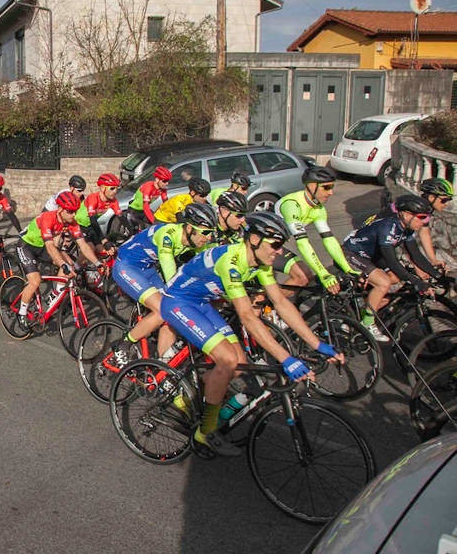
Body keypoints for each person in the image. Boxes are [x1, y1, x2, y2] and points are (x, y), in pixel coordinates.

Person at [125, 213, 343, 456]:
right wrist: (285, 359)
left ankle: (207, 390)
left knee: (238, 365)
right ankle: (204, 433)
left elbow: (281, 302)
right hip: (178, 302)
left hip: (203, 303)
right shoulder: (231, 262)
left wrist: (318, 344)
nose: (280, 252)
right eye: (276, 245)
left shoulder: (260, 264)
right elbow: (247, 316)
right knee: (227, 359)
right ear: (255, 239)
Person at [113, 203, 218, 359]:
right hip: (126, 266)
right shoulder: (167, 235)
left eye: (212, 233)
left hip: (146, 269)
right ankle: (123, 344)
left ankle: (164, 367)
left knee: (172, 312)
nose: (209, 237)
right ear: (189, 228)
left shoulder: (197, 241)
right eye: (206, 232)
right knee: (162, 309)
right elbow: (170, 275)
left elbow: (209, 266)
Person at [341, 194, 440, 341]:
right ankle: (367, 322)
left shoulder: (407, 228)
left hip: (371, 255)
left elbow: (416, 255)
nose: (425, 222)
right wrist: (417, 282)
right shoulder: (388, 228)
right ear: (406, 215)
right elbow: (392, 262)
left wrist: (438, 275)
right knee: (383, 283)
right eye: (422, 217)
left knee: (393, 280)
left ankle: (360, 310)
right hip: (351, 252)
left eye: (427, 218)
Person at [15, 191, 104, 329]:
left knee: (69, 268)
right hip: (27, 246)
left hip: (43, 247)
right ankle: (22, 313)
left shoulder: (72, 223)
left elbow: (83, 246)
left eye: (75, 211)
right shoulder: (47, 218)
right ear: (61, 209)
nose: (73, 215)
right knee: (35, 281)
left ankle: (54, 296)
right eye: (70, 211)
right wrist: (62, 263)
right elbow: (50, 246)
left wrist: (98, 263)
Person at [274, 166, 359, 296]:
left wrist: (348, 269)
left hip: (276, 245)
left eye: (332, 187)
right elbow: (303, 243)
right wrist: (323, 273)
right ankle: (265, 306)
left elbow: (329, 240)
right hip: (259, 246)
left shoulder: (318, 209)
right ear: (312, 186)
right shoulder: (292, 205)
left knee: (304, 276)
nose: (331, 192)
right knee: (301, 277)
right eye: (326, 187)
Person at [415, 178, 453, 272]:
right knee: (393, 278)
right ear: (431, 197)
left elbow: (424, 234)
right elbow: (404, 240)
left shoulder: (425, 209)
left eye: (449, 200)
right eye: (444, 200)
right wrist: (416, 266)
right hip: (379, 240)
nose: (446, 204)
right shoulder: (416, 209)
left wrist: (433, 260)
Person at [81, 173, 123, 246]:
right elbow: (93, 220)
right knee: (92, 249)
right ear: (102, 188)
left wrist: (131, 229)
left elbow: (121, 216)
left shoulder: (113, 200)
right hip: (80, 225)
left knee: (107, 250)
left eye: (117, 188)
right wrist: (102, 239)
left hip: (91, 226)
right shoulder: (93, 198)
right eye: (112, 188)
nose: (115, 191)